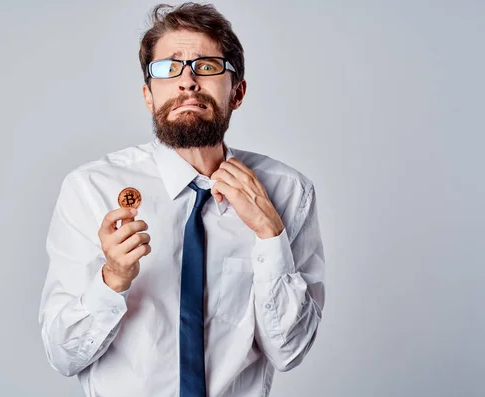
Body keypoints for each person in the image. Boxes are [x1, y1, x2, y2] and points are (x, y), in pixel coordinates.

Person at [39, 3, 326, 396]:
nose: (187, 81)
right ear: (148, 95)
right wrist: (113, 281)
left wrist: (270, 234)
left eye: (207, 67)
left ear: (237, 92)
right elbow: (63, 356)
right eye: (168, 68)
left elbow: (289, 350)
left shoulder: (289, 193)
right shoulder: (92, 189)